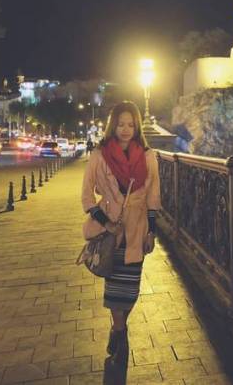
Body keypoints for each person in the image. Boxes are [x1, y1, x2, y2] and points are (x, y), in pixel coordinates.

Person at [81, 101, 160, 364]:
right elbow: (86, 196)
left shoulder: (148, 156)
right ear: (112, 126)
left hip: (138, 230)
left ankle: (118, 328)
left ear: (137, 128)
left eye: (131, 125)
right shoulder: (99, 155)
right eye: (120, 124)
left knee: (131, 290)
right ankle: (120, 332)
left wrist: (152, 231)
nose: (125, 130)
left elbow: (153, 197)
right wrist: (106, 222)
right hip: (112, 234)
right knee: (115, 289)